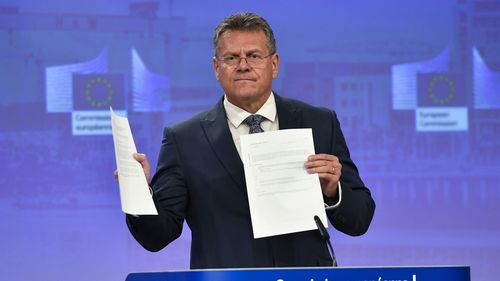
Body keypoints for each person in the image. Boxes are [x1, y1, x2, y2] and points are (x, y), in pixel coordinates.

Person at [120, 12, 375, 269]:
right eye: (231, 58)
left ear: (274, 64)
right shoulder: (183, 139)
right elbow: (157, 236)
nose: (243, 65)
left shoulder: (320, 122)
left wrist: (332, 192)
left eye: (253, 56)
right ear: (216, 68)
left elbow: (360, 219)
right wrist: (137, 192)